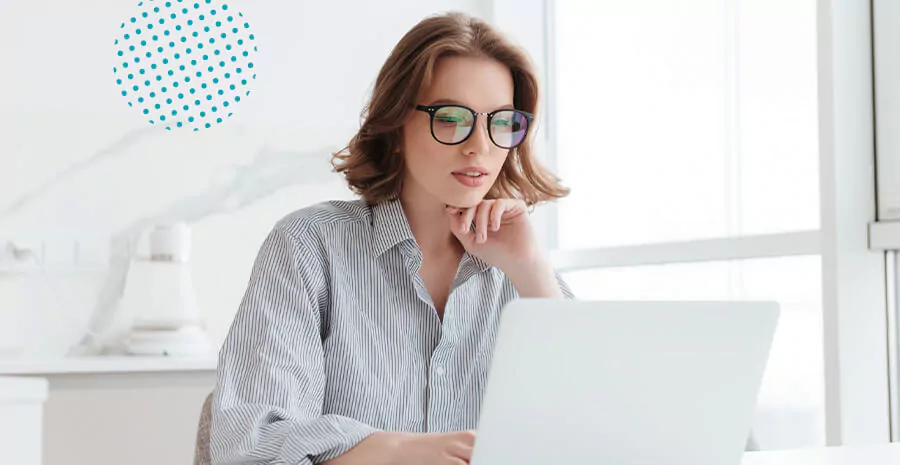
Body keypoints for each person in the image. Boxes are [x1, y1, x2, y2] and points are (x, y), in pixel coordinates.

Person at [209, 11, 572, 465]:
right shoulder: (309, 247)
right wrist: (394, 449)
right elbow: (250, 446)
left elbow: (597, 432)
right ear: (397, 126)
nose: (479, 144)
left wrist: (532, 273)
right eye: (452, 117)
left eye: (500, 122)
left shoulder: (523, 273)